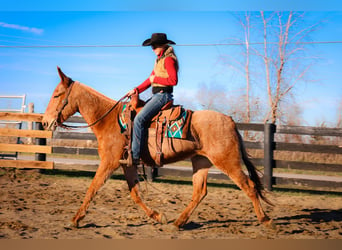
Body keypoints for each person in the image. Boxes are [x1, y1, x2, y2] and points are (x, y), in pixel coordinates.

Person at [120, 33, 179, 167]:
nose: (152, 48)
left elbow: (173, 80)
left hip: (163, 96)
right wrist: (136, 90)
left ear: (163, 45)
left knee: (139, 119)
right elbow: (149, 80)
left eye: (155, 45)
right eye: (151, 46)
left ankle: (135, 156)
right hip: (157, 95)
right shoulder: (159, 60)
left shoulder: (169, 59)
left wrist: (156, 79)